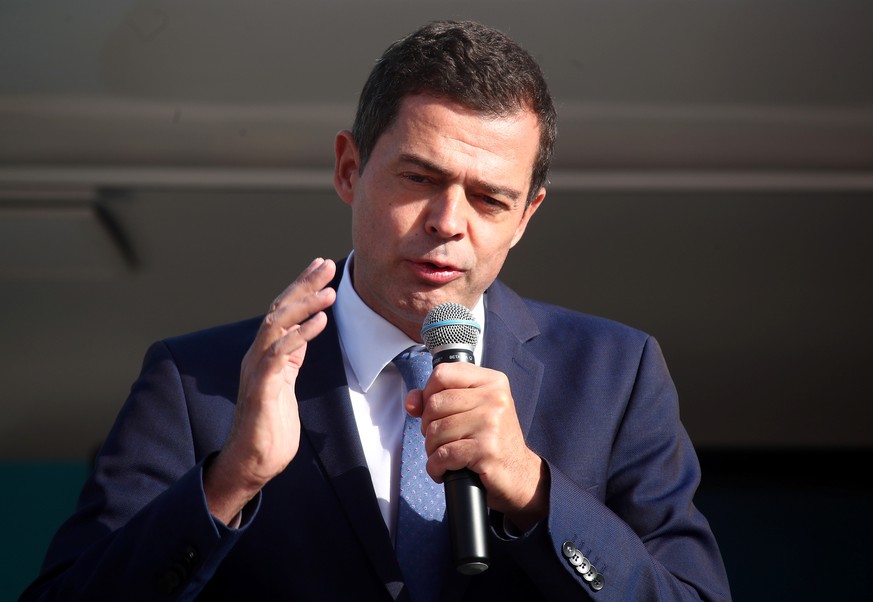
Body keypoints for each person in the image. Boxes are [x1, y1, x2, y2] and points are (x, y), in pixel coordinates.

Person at [21, 20, 730, 601]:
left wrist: (534, 490)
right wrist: (231, 477)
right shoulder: (197, 381)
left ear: (525, 217)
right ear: (348, 169)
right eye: (419, 178)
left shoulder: (615, 372)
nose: (449, 222)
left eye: (489, 199)